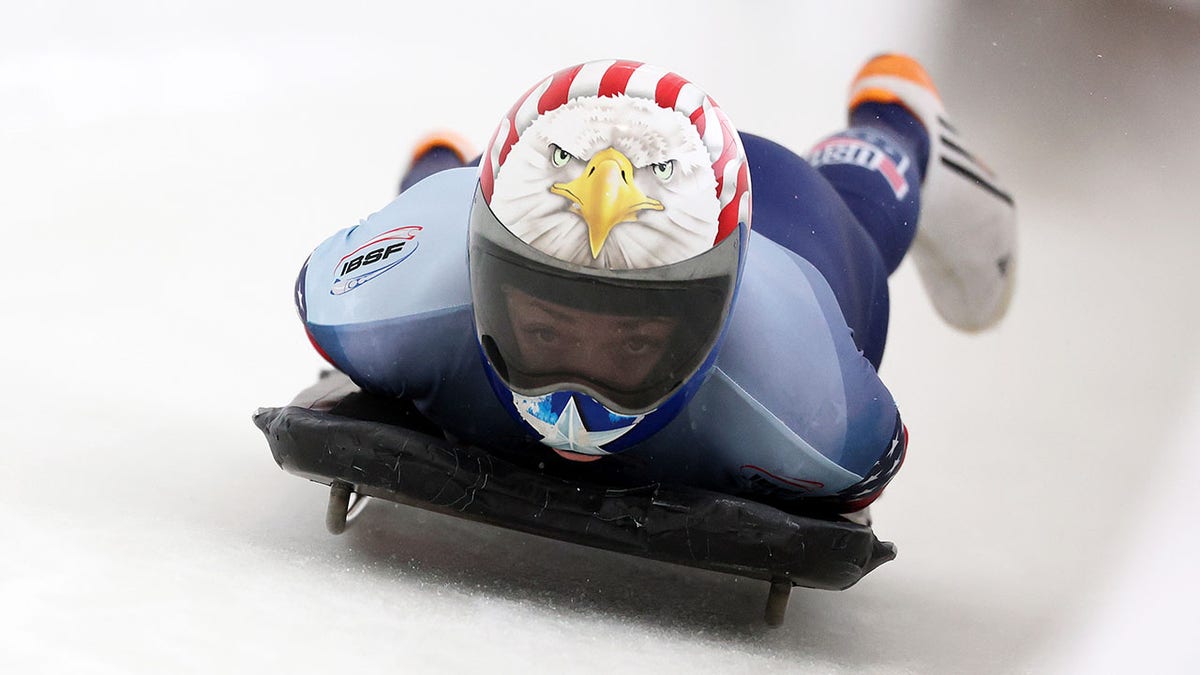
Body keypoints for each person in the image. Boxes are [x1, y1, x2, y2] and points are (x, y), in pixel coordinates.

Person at [294, 55, 1016, 515]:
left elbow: (868, 456)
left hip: (787, 220)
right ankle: (443, 164)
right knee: (434, 199)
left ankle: (898, 125)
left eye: (633, 343)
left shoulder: (806, 399)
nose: (577, 403)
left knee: (852, 228)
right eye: (544, 330)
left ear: (715, 314)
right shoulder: (386, 300)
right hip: (466, 212)